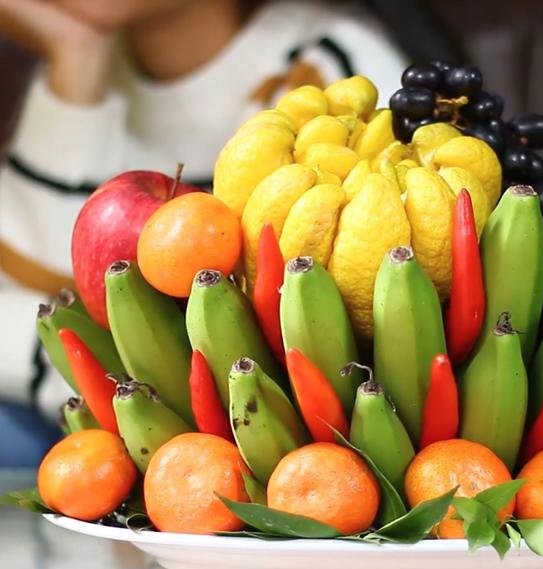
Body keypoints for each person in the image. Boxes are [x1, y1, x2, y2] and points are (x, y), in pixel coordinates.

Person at [0, 0, 408, 465]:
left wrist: (94, 375)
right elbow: (34, 290)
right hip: (136, 434)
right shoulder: (93, 71)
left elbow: (336, 345)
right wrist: (76, 56)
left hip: (285, 447)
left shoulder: (329, 73)